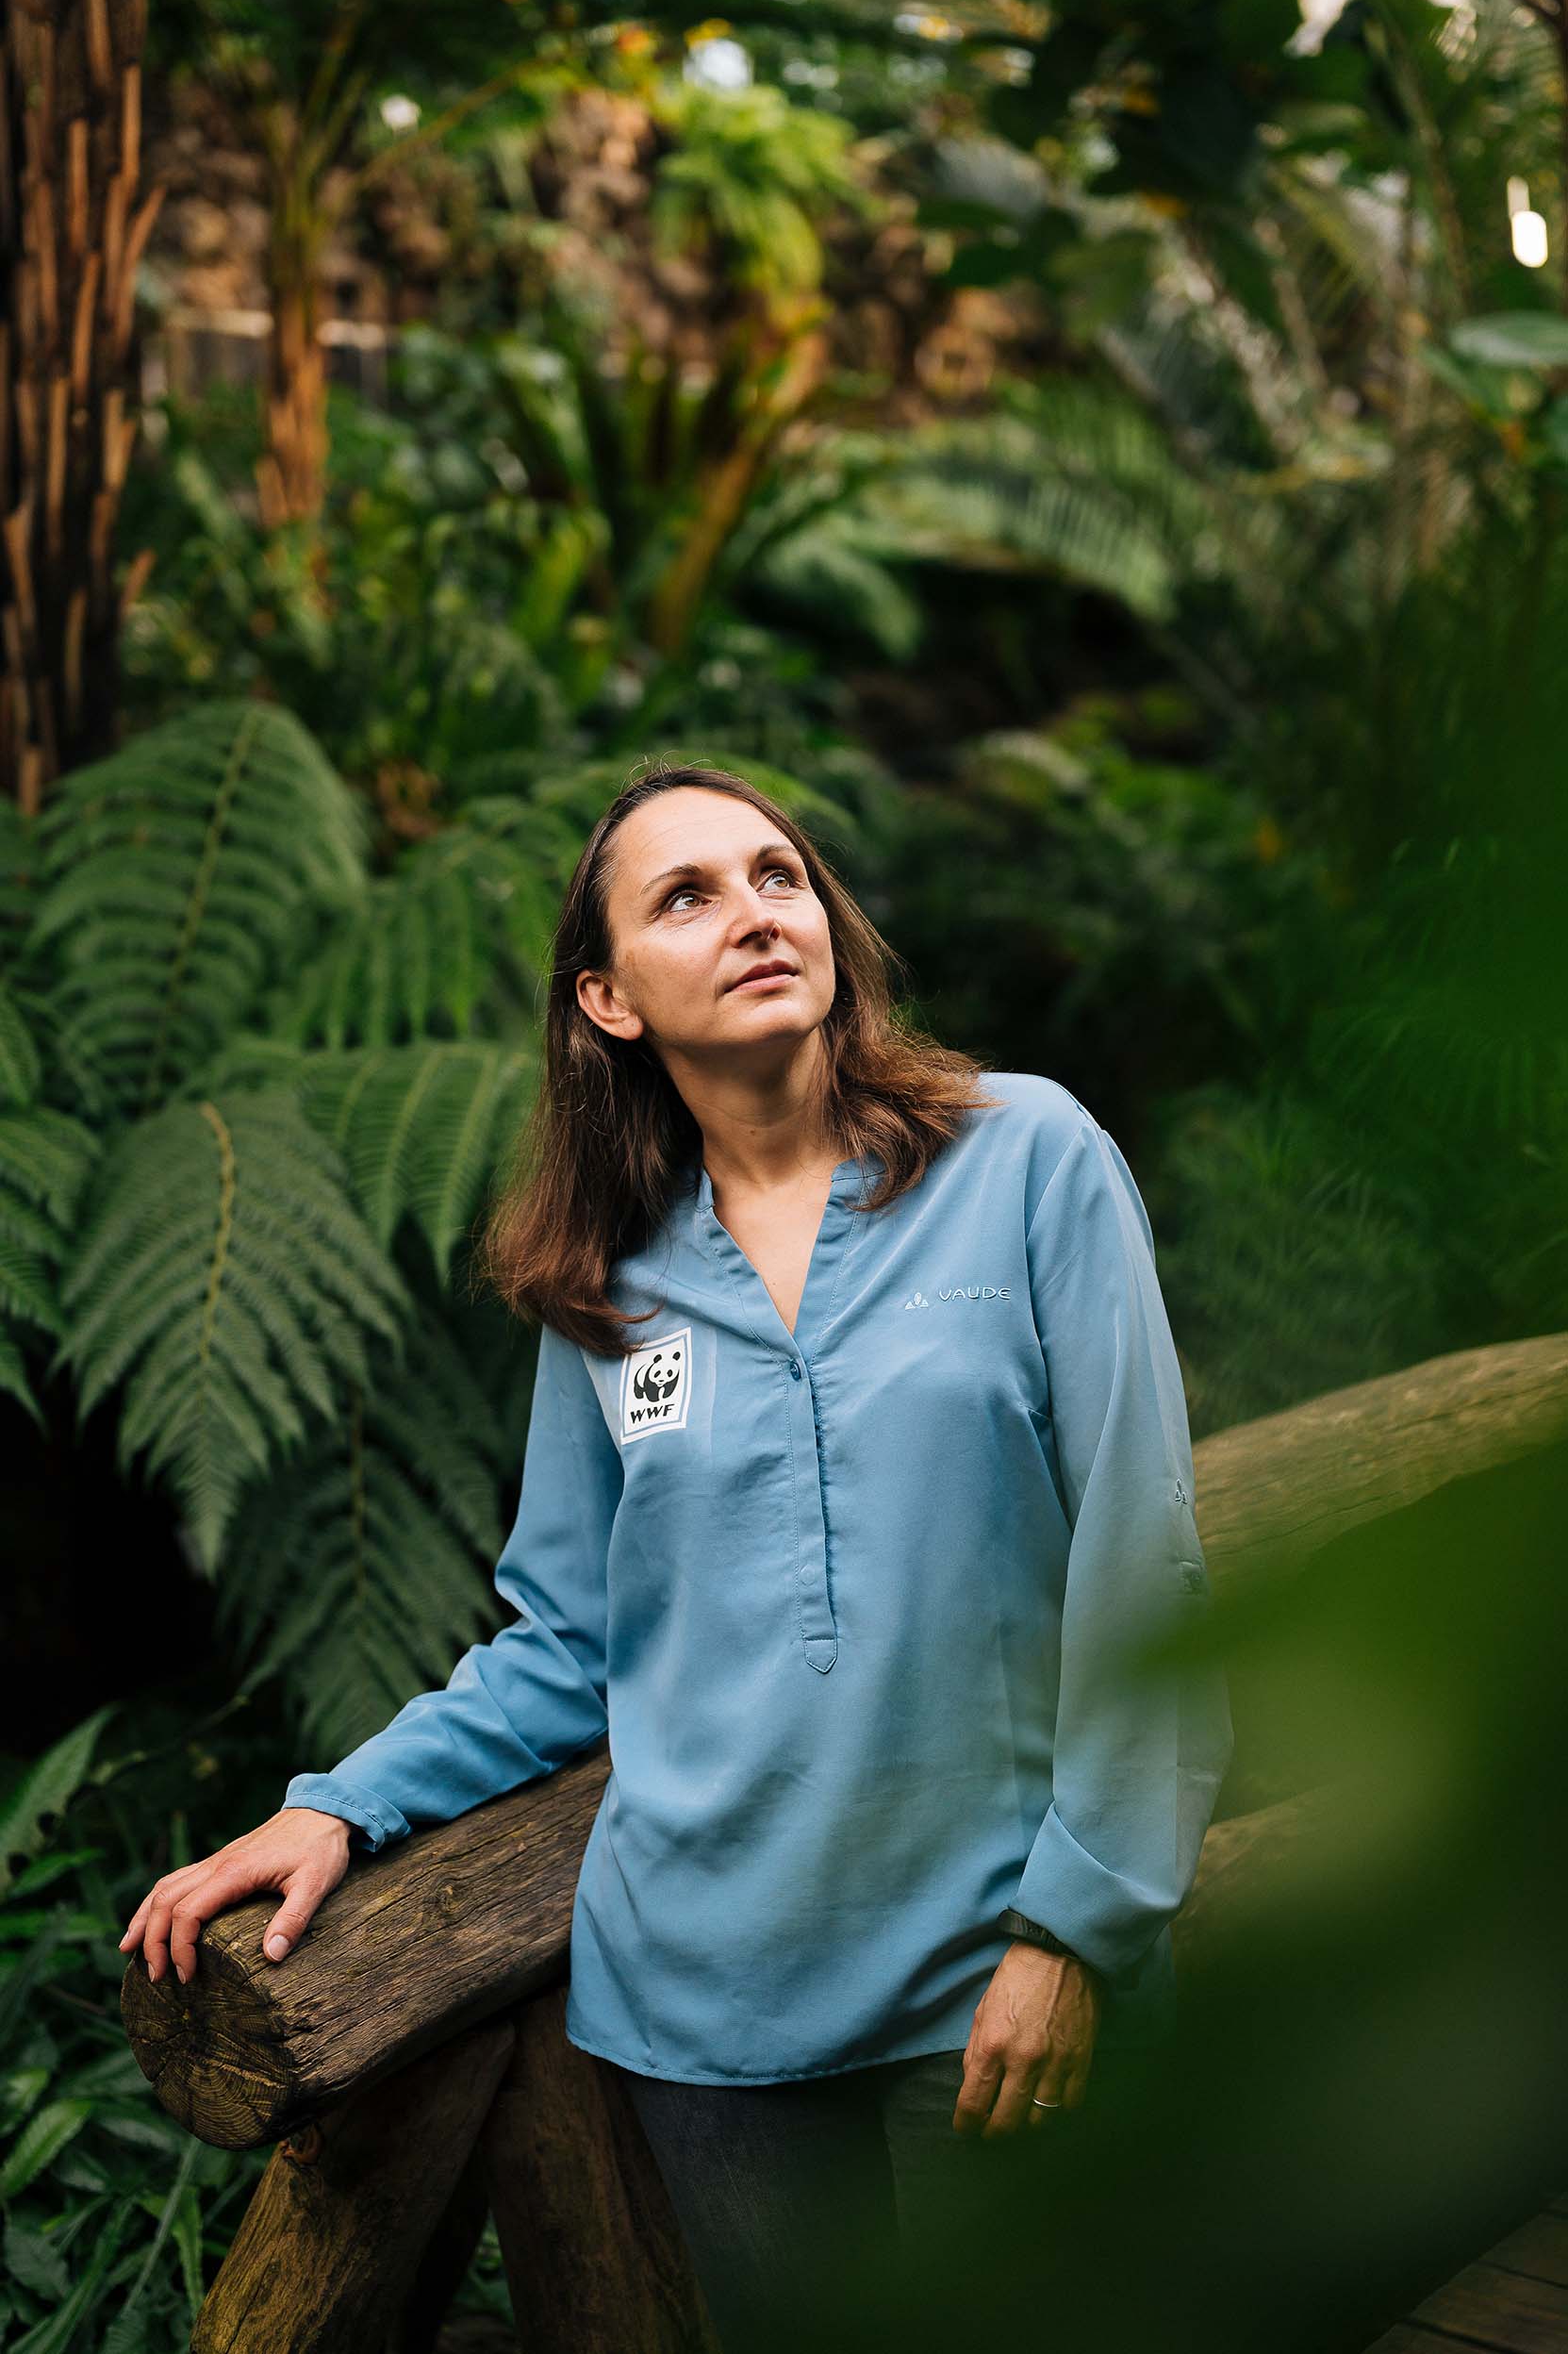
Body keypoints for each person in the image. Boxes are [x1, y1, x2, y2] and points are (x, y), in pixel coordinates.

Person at [118, 762, 1233, 2348]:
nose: (756, 911)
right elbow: (568, 1636)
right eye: (687, 896)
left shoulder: (1027, 1160)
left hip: (998, 1973)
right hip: (713, 2018)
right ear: (610, 998)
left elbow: (1146, 1555)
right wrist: (339, 1807)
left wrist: (1079, 1931)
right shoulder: (607, 1283)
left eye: (778, 874)